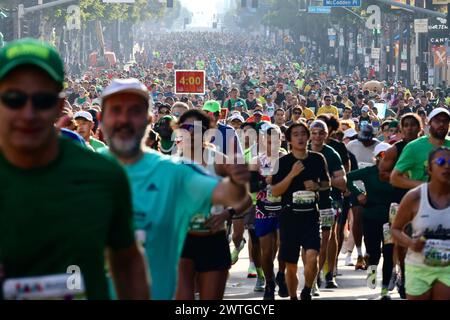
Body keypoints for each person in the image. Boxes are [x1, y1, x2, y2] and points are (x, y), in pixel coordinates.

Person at [0, 38, 149, 300]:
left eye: (43, 100)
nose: (28, 112)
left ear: (60, 106)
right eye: (14, 99)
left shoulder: (102, 175)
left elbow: (126, 262)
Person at [99, 78, 251, 300]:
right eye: (116, 110)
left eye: (134, 111)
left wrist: (232, 199)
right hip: (184, 239)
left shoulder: (176, 169)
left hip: (212, 238)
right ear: (101, 119)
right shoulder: (173, 160)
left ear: (148, 120)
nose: (124, 119)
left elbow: (238, 196)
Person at [175, 109, 252, 300]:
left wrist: (228, 213)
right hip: (181, 241)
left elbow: (247, 198)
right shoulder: (172, 164)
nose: (190, 132)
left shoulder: (218, 160)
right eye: (185, 127)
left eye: (196, 127)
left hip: (213, 239)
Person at [271, 123, 332, 300]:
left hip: (310, 215)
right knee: (290, 265)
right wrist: (292, 174)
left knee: (312, 255)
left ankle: (306, 290)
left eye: (303, 134)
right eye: (295, 134)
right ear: (289, 140)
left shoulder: (318, 158)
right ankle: (293, 297)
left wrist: (317, 186)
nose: (300, 138)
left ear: (308, 137)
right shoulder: (282, 162)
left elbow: (327, 183)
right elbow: (275, 191)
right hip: (289, 216)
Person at [391, 147, 450, 300]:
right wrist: (411, 243)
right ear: (430, 168)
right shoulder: (415, 196)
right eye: (441, 162)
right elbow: (395, 230)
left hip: (447, 268)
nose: (447, 166)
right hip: (418, 267)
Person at [378, 113, 422, 298]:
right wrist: (404, 180)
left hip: (425, 204)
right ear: (401, 129)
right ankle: (400, 277)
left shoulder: (429, 147)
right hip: (398, 203)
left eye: (413, 125)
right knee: (396, 245)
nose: (410, 128)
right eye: (406, 125)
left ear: (420, 127)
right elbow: (382, 173)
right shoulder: (395, 149)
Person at [347, 142, 395, 299]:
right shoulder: (369, 172)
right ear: (376, 157)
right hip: (371, 217)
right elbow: (347, 178)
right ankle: (372, 272)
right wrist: (358, 193)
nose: (385, 159)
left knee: (388, 253)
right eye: (382, 155)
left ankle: (385, 290)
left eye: (389, 156)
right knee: (373, 253)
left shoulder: (397, 173)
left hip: (390, 219)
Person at [249, 123, 288, 300]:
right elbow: (250, 186)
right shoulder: (256, 160)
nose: (272, 143)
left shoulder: (287, 158)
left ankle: (281, 274)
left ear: (281, 139)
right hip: (263, 209)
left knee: (283, 246)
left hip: (283, 209)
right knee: (266, 251)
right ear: (264, 140)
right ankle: (269, 282)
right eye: (269, 139)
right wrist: (266, 182)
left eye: (276, 138)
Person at [308, 120, 346, 290]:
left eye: (321, 133)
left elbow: (343, 181)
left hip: (330, 200)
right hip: (304, 203)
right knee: (308, 242)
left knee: (328, 240)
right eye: (314, 133)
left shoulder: (331, 153)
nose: (317, 136)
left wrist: (324, 181)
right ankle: (312, 274)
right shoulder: (301, 148)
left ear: (326, 134)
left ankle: (326, 273)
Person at [391, 108, 450, 190]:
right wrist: (427, 186)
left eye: (445, 121)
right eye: (437, 121)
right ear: (429, 123)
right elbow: (395, 178)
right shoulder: (413, 147)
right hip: (421, 199)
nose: (441, 124)